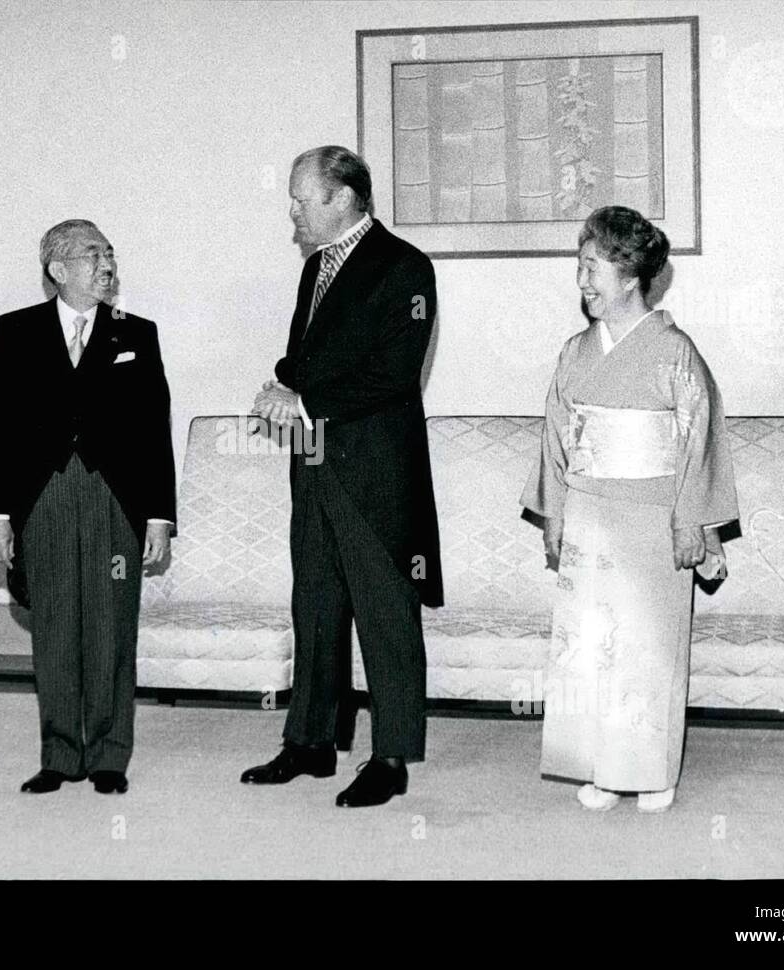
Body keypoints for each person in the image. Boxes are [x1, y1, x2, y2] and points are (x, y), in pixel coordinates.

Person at [243, 146, 442, 808]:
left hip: (375, 472)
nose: (293, 210)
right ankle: (312, 742)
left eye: (302, 198)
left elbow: (393, 373)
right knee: (317, 604)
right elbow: (315, 357)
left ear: (340, 199)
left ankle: (391, 756)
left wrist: (299, 401)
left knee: (387, 614)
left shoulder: (404, 267)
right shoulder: (316, 269)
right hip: (316, 461)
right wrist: (284, 382)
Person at [521, 205, 738, 813]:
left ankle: (650, 770)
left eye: (593, 267)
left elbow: (701, 439)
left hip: (653, 513)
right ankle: (601, 767)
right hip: (589, 510)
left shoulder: (674, 352)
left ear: (629, 275)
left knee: (646, 646)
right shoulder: (575, 351)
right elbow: (555, 437)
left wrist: (691, 520)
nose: (583, 281)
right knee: (589, 645)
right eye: (580, 268)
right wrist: (556, 516)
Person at [0, 219, 175, 796]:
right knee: (56, 627)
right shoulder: (13, 332)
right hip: (44, 498)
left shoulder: (137, 331)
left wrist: (159, 516)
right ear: (57, 270)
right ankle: (60, 754)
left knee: (113, 626)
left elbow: (152, 430)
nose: (107, 264)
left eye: (110, 253)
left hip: (116, 498)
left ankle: (110, 754)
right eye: (93, 255)